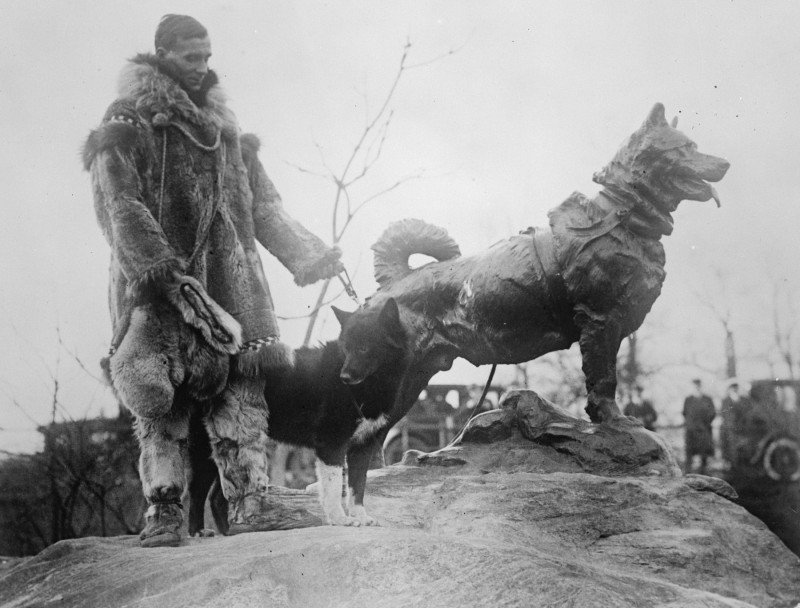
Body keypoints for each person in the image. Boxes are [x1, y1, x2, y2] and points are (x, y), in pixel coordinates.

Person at [83, 15, 343, 547]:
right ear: (160, 54)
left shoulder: (226, 128)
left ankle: (252, 502)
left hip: (235, 286)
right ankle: (164, 512)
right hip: (162, 292)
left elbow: (264, 206)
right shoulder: (128, 120)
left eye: (207, 55)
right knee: (164, 402)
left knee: (243, 396)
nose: (202, 66)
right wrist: (162, 274)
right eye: (189, 57)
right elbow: (118, 204)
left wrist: (311, 255)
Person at [682, 379, 716, 474]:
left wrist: (705, 422)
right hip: (691, 430)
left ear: (701, 386)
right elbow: (685, 413)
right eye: (695, 386)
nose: (697, 387)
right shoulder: (688, 400)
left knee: (704, 452)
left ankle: (703, 472)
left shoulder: (707, 399)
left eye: (698, 385)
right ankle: (688, 473)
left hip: (704, 429)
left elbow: (712, 413)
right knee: (690, 452)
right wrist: (692, 423)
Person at [719, 380, 754, 464]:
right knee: (730, 449)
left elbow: (749, 413)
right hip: (729, 430)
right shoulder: (725, 401)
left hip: (743, 429)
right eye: (732, 388)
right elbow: (725, 415)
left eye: (736, 388)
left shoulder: (745, 400)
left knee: (743, 448)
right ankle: (731, 464)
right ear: (729, 390)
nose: (734, 390)